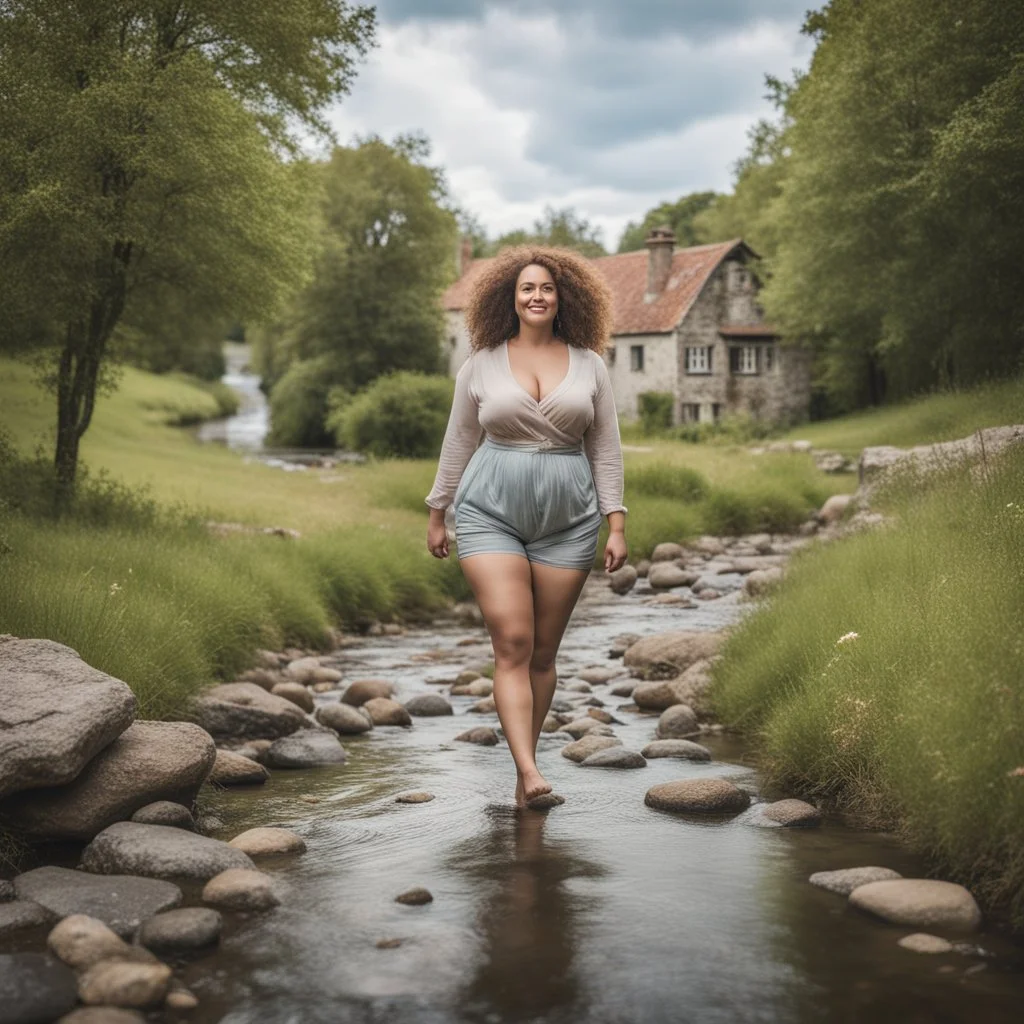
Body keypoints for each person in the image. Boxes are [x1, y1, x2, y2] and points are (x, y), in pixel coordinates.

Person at [425, 246, 628, 809]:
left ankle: (522, 781)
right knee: (513, 642)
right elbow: (460, 440)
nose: (537, 296)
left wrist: (615, 523)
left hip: (571, 521)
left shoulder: (590, 363)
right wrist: (438, 511)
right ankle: (531, 768)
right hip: (489, 513)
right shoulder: (481, 363)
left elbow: (605, 447)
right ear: (508, 300)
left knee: (542, 655)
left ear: (564, 297)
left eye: (546, 288)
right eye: (526, 289)